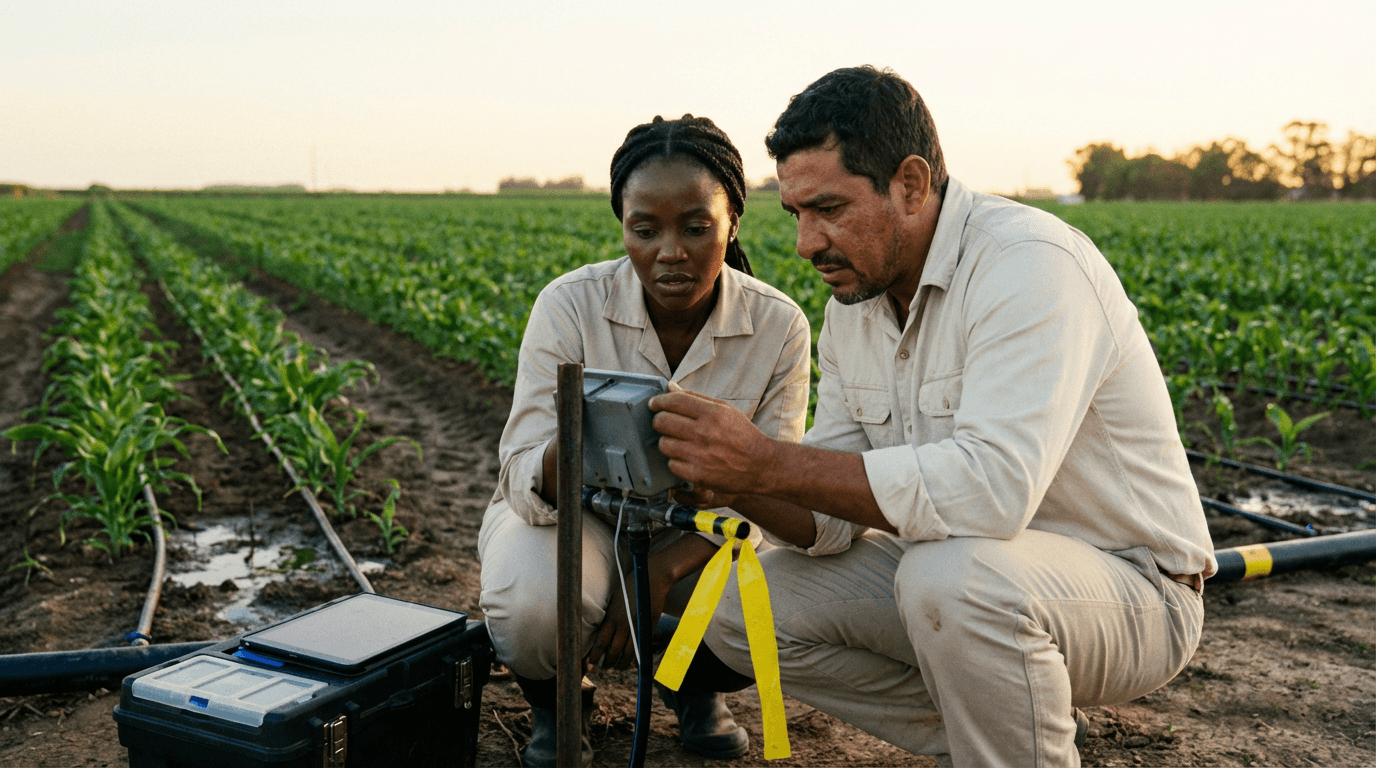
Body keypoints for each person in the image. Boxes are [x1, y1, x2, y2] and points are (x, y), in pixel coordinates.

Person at [650, 66, 1216, 767]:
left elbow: (992, 492)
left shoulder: (1026, 265)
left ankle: (1011, 745)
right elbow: (827, 525)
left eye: (829, 208)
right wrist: (733, 478)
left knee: (951, 578)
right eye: (797, 214)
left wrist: (767, 460)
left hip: (1132, 591)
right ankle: (1008, 739)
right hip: (969, 579)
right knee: (744, 604)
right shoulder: (854, 309)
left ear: (911, 185)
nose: (807, 243)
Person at [477, 114, 811, 767]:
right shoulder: (570, 306)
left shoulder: (778, 327)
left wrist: (661, 569)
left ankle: (688, 681)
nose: (670, 251)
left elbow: (768, 489)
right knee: (535, 603)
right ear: (622, 225)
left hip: (703, 532)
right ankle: (558, 698)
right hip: (583, 518)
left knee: (781, 607)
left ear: (733, 221)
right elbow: (521, 469)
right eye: (644, 229)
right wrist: (578, 438)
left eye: (696, 226)